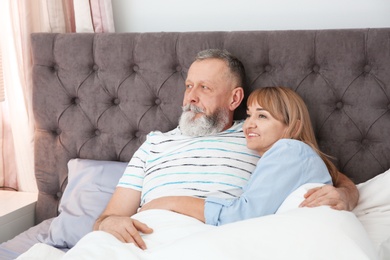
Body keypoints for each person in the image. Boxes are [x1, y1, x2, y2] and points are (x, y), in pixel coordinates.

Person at [94, 49, 359, 250]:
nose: (191, 97)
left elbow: (326, 173)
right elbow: (108, 217)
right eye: (189, 86)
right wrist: (108, 223)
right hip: (141, 239)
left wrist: (346, 195)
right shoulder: (154, 144)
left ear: (234, 98)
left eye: (205, 87)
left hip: (217, 237)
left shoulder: (258, 135)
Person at [141, 86, 339, 226]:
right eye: (249, 115)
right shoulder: (289, 156)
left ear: (294, 127)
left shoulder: (289, 150)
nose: (249, 124)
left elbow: (243, 214)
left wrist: (171, 202)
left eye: (262, 116)